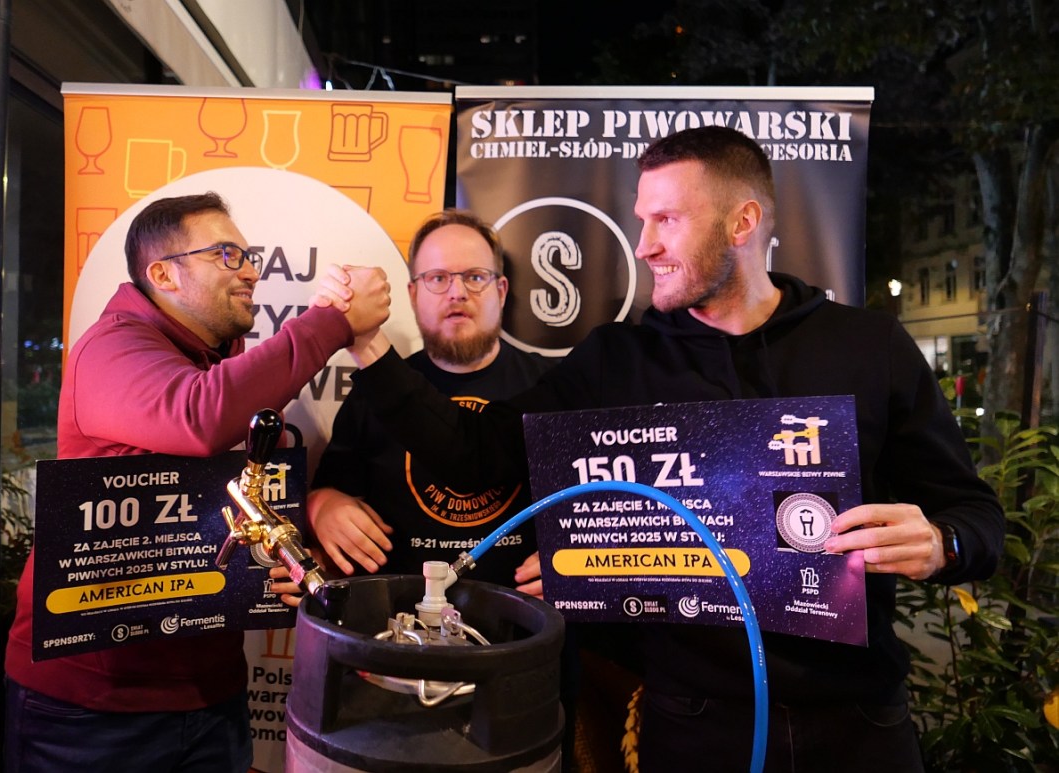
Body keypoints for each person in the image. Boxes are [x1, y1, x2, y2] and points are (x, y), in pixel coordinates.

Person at [318, 126, 1006, 772]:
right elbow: (473, 456)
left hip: (860, 721)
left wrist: (939, 543)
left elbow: (976, 518)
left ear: (742, 223)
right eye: (641, 220)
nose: (644, 245)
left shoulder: (869, 348)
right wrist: (367, 345)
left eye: (667, 220)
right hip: (693, 720)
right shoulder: (615, 361)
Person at [3, 192, 391, 772]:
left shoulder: (222, 362)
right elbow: (197, 416)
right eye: (227, 255)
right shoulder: (111, 348)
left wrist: (299, 516)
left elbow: (238, 483)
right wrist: (332, 322)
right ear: (163, 274)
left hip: (211, 691)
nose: (251, 271)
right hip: (93, 706)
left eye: (249, 256)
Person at [283, 209, 553, 591]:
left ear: (502, 290)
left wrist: (574, 558)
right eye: (438, 278)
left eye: (475, 277)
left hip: (523, 617)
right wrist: (321, 507)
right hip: (398, 617)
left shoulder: (551, 385)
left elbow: (596, 504)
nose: (457, 292)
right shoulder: (374, 389)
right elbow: (330, 487)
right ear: (412, 294)